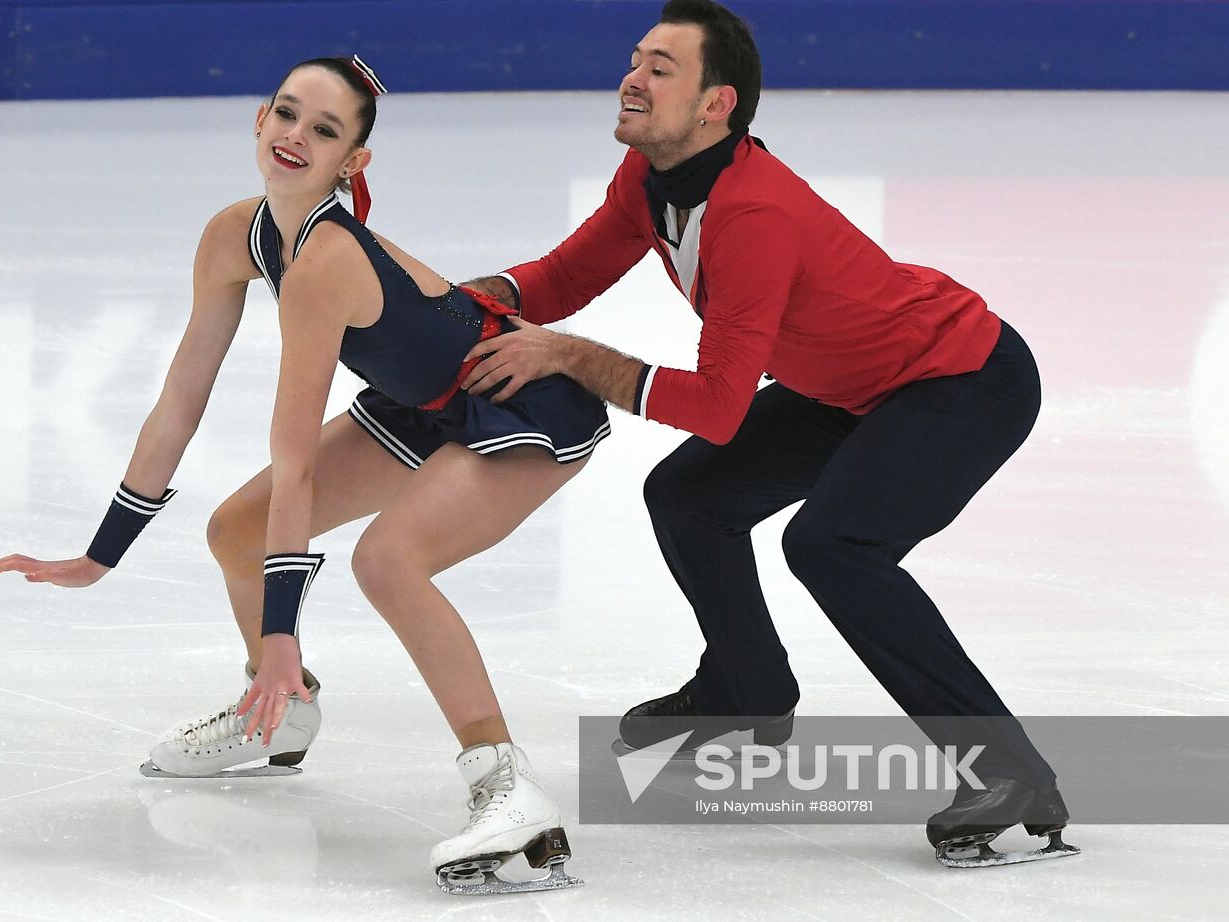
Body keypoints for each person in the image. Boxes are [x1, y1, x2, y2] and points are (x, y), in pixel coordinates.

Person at [460, 0, 1076, 867]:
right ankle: (747, 688)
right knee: (689, 494)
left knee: (834, 545)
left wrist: (570, 357)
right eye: (635, 58)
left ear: (716, 105)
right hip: (848, 383)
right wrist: (453, 302)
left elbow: (716, 403)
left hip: (961, 379)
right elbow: (564, 275)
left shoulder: (753, 214)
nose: (632, 76)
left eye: (660, 68)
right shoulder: (648, 179)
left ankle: (1008, 771)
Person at [0, 55, 602, 894]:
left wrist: (280, 628)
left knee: (387, 561)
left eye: (325, 130)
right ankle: (281, 710)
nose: (295, 136)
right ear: (259, 120)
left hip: (523, 405)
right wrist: (102, 555)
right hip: (423, 402)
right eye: (286, 113)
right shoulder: (232, 235)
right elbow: (179, 402)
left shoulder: (325, 264)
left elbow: (297, 456)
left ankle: (509, 794)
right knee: (234, 531)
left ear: (354, 163)